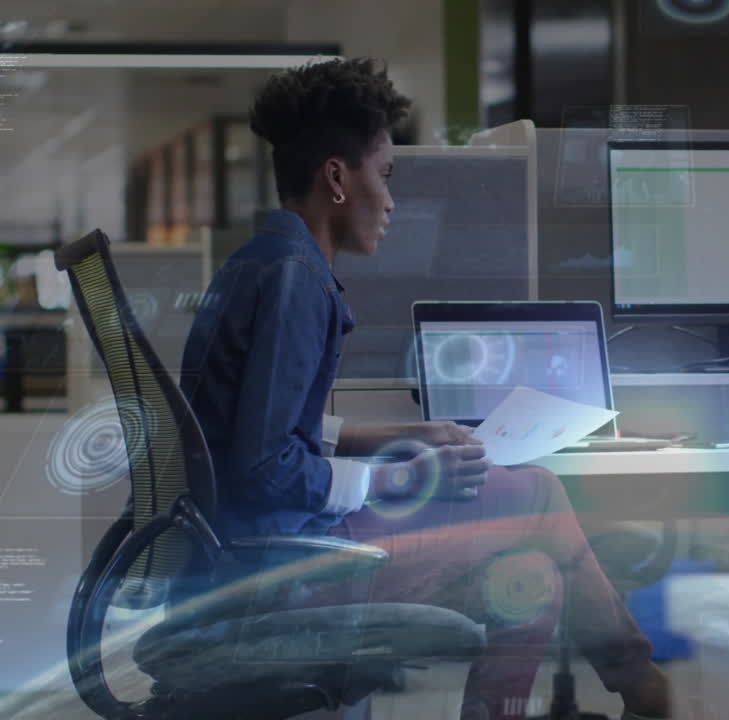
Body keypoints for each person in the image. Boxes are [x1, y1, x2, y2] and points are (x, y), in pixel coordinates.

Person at [179, 57, 668, 720]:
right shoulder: (297, 282)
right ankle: (643, 687)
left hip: (251, 552)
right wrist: (399, 480)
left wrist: (409, 434)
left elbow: (267, 427)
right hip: (285, 572)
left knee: (534, 577)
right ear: (337, 178)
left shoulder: (262, 261)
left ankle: (637, 689)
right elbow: (263, 464)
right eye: (384, 175)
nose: (392, 199)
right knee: (539, 493)